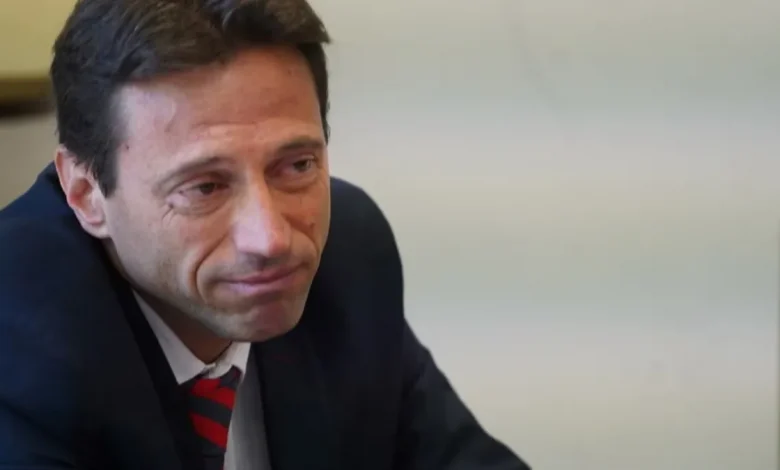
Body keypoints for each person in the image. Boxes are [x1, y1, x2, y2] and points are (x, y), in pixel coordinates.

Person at [0, 1, 531, 469]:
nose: (271, 239)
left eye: (296, 166)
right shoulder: (17, 341)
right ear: (86, 194)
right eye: (205, 186)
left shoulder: (349, 257)